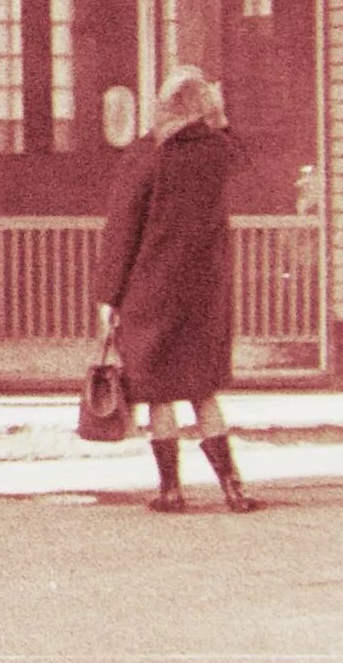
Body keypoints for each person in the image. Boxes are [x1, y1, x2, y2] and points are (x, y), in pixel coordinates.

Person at [99, 66, 260, 514]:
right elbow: (244, 159)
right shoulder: (218, 152)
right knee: (203, 390)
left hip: (150, 292)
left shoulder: (147, 154)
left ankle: (171, 491)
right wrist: (221, 119)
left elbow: (122, 230)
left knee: (159, 393)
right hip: (203, 292)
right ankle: (233, 488)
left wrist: (110, 295)